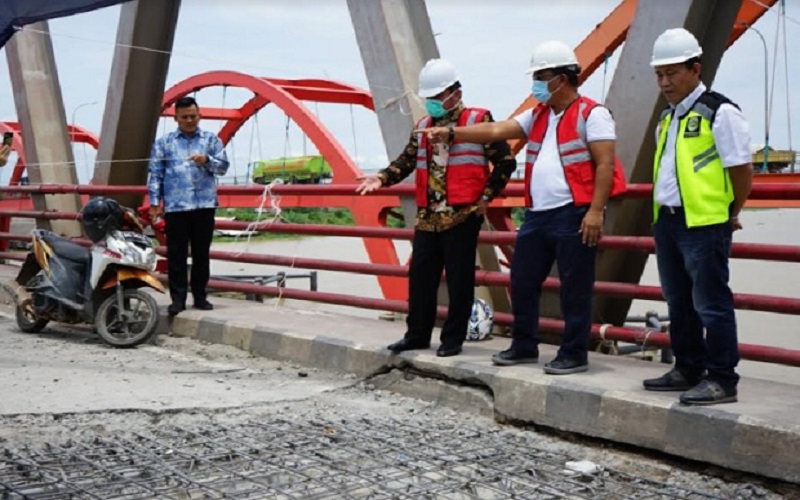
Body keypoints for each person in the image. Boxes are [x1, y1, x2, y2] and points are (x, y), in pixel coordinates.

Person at [423, 41, 627, 374]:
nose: (535, 84)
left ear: (561, 78)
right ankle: (524, 345)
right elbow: (495, 129)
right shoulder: (539, 115)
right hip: (538, 215)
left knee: (575, 287)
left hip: (573, 213)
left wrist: (595, 211)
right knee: (522, 280)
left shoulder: (593, 114)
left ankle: (574, 353)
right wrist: (452, 133)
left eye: (540, 76)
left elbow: (604, 165)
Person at [357, 58, 516, 357]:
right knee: (420, 278)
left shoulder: (478, 120)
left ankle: (452, 339)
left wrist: (486, 198)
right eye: (428, 98)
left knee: (459, 279)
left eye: (436, 97)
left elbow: (506, 162)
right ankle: (416, 335)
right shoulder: (423, 125)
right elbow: (405, 161)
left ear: (455, 92)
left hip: (462, 214)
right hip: (428, 216)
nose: (431, 104)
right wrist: (381, 178)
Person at [643, 28, 753, 405]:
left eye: (672, 73)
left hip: (705, 223)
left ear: (695, 69)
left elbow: (741, 170)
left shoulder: (719, 112)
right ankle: (687, 368)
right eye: (659, 75)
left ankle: (722, 378)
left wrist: (729, 213)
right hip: (670, 221)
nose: (665, 82)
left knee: (711, 302)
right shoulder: (667, 118)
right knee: (679, 301)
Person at [148, 96, 230, 316]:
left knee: (202, 254)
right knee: (176, 255)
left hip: (204, 205)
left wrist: (207, 161)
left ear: (199, 115)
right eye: (184, 117)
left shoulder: (211, 140)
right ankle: (178, 300)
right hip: (176, 207)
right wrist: (154, 202)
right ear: (176, 118)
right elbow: (155, 175)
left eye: (193, 116)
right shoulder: (164, 143)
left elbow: (223, 167)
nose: (189, 120)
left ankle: (201, 297)